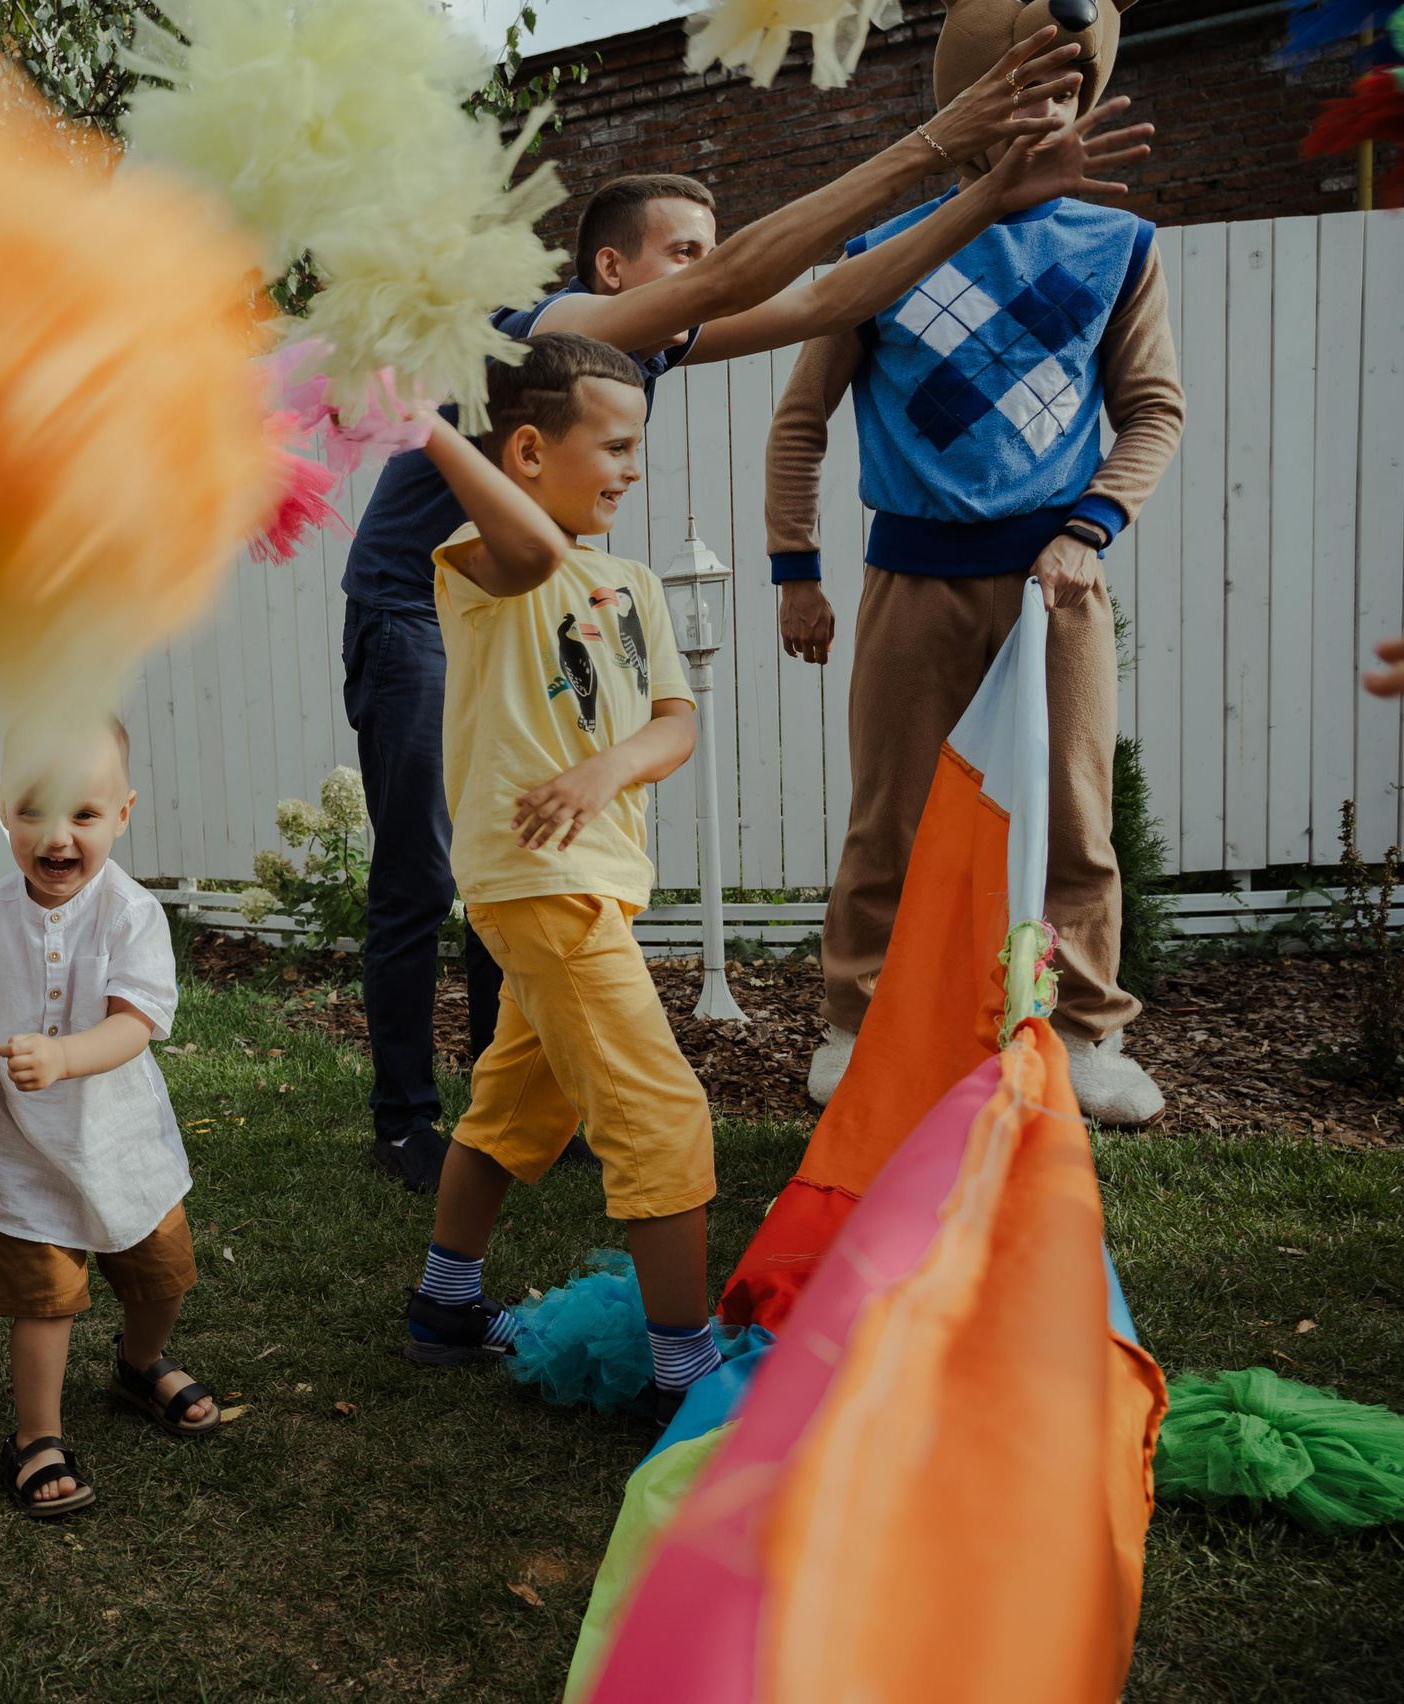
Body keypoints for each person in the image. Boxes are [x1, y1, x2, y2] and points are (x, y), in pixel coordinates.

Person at [338, 31, 1146, 1191]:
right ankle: (402, 1120)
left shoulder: (652, 344)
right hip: (417, 603)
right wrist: (936, 143)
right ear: (612, 270)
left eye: (710, 249)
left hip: (517, 605)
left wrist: (985, 196)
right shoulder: (546, 330)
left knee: (525, 851)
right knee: (424, 867)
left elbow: (834, 295)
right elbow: (737, 284)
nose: (713, 268)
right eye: (685, 251)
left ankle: (512, 1110)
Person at [766, 0, 1180, 1127]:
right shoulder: (879, 253)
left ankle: (1083, 1034)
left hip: (1057, 580)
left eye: (1068, 85)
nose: (1047, 107)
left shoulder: (1118, 248)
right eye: (1023, 81)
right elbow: (800, 423)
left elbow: (1153, 409)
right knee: (890, 814)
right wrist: (794, 571)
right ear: (970, 89)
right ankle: (857, 1025)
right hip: (911, 578)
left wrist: (1088, 529)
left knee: (1075, 814)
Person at [396, 335, 717, 1417]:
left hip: (596, 877)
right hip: (542, 879)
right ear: (528, 452)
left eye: (637, 447)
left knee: (514, 1104)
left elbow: (673, 722)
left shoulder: (632, 581)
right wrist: (425, 424)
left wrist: (606, 767)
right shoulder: (484, 562)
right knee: (660, 1114)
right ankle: (686, 1376)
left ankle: (444, 1306)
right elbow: (532, 549)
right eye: (614, 446)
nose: (632, 468)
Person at [0, 718, 216, 1518]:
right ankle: (38, 1436)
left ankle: (140, 1361)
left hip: (123, 1144)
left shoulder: (130, 914)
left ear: (123, 813)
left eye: (83, 815)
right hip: (22, 1153)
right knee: (42, 1303)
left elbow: (135, 1024)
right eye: (33, 812)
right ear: (3, 810)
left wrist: (64, 1055)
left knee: (161, 1277)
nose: (57, 838)